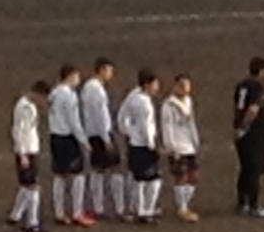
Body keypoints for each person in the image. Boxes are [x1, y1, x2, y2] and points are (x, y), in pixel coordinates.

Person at [47, 64, 93, 228]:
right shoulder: (70, 96)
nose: (78, 81)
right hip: (68, 138)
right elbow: (74, 121)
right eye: (77, 77)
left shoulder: (53, 93)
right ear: (70, 76)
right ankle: (77, 212)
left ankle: (59, 212)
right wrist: (84, 141)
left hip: (55, 137)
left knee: (59, 175)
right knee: (78, 175)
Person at [118, 69, 164, 223]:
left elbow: (121, 116)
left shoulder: (133, 95)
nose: (157, 86)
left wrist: (127, 132)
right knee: (153, 179)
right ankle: (146, 210)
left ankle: (139, 208)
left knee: (138, 179)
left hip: (134, 143)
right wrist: (152, 146)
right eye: (155, 83)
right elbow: (146, 128)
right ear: (146, 84)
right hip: (143, 146)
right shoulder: (145, 104)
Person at [81, 58, 122, 220]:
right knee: (115, 169)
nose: (111, 74)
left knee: (97, 170)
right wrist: (107, 138)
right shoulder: (97, 90)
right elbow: (101, 115)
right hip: (101, 134)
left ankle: (98, 207)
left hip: (92, 133)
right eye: (110, 71)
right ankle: (118, 207)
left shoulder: (87, 88)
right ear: (102, 70)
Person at [233, 57, 264, 218]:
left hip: (239, 130)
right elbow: (252, 110)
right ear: (262, 70)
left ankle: (242, 202)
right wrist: (245, 127)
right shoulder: (257, 87)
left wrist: (238, 128)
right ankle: (254, 205)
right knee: (254, 169)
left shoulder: (241, 85)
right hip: (253, 132)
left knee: (244, 168)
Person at [161, 74, 203, 223]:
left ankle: (185, 204)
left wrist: (195, 140)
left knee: (194, 176)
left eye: (188, 85)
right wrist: (171, 147)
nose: (186, 88)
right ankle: (182, 208)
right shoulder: (169, 105)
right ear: (176, 86)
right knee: (182, 177)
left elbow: (191, 123)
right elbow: (167, 127)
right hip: (178, 146)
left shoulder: (188, 101)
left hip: (189, 145)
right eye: (182, 85)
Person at [10, 81, 48, 232]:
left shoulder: (27, 105)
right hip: (27, 151)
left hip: (30, 149)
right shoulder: (24, 107)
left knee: (26, 184)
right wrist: (22, 154)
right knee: (33, 186)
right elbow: (18, 131)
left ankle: (15, 215)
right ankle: (32, 222)